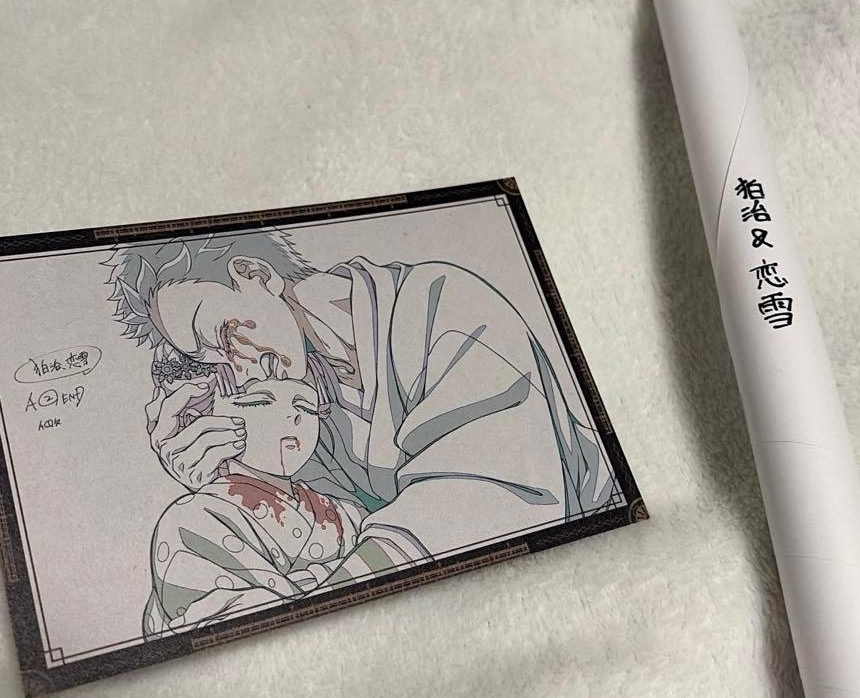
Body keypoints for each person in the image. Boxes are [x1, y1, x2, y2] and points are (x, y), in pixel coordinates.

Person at [108, 227, 622, 582]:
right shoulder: (301, 404)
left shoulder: (441, 305)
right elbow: (320, 540)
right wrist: (233, 481)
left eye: (222, 334)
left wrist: (321, 601)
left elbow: (482, 505)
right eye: (208, 360)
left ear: (257, 275)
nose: (235, 370)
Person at [142, 374, 424, 636]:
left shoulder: (347, 512)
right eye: (258, 402)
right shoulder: (193, 518)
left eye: (307, 408)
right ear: (204, 422)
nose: (292, 416)